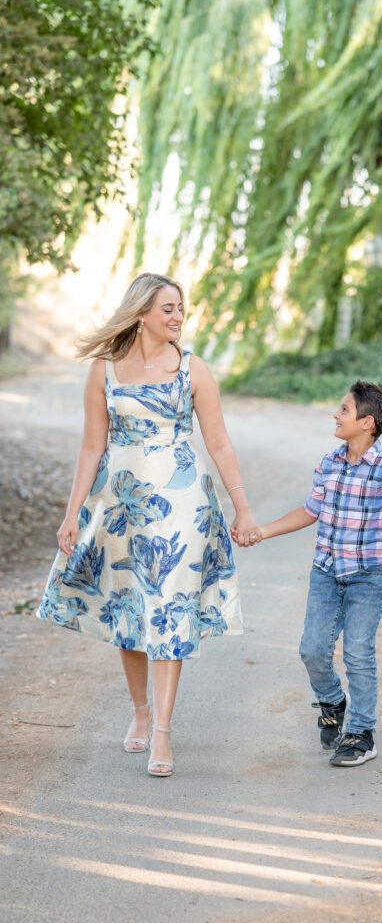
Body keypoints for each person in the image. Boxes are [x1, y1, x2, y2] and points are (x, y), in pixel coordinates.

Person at [37, 272, 258, 778]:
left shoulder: (193, 369)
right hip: (119, 506)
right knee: (130, 609)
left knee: (169, 610)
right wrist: (72, 513)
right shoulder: (104, 371)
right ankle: (140, 712)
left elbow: (219, 443)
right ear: (142, 314)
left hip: (183, 507)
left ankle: (163, 730)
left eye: (181, 308)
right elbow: (92, 447)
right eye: (168, 309)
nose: (179, 316)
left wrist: (241, 507)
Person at [239, 381, 382, 767]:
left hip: (368, 575)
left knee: (358, 651)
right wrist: (261, 531)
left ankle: (361, 732)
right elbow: (310, 510)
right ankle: (333, 700)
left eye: (344, 410)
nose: (336, 414)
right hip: (326, 572)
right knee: (312, 650)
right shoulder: (329, 461)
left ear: (367, 422)